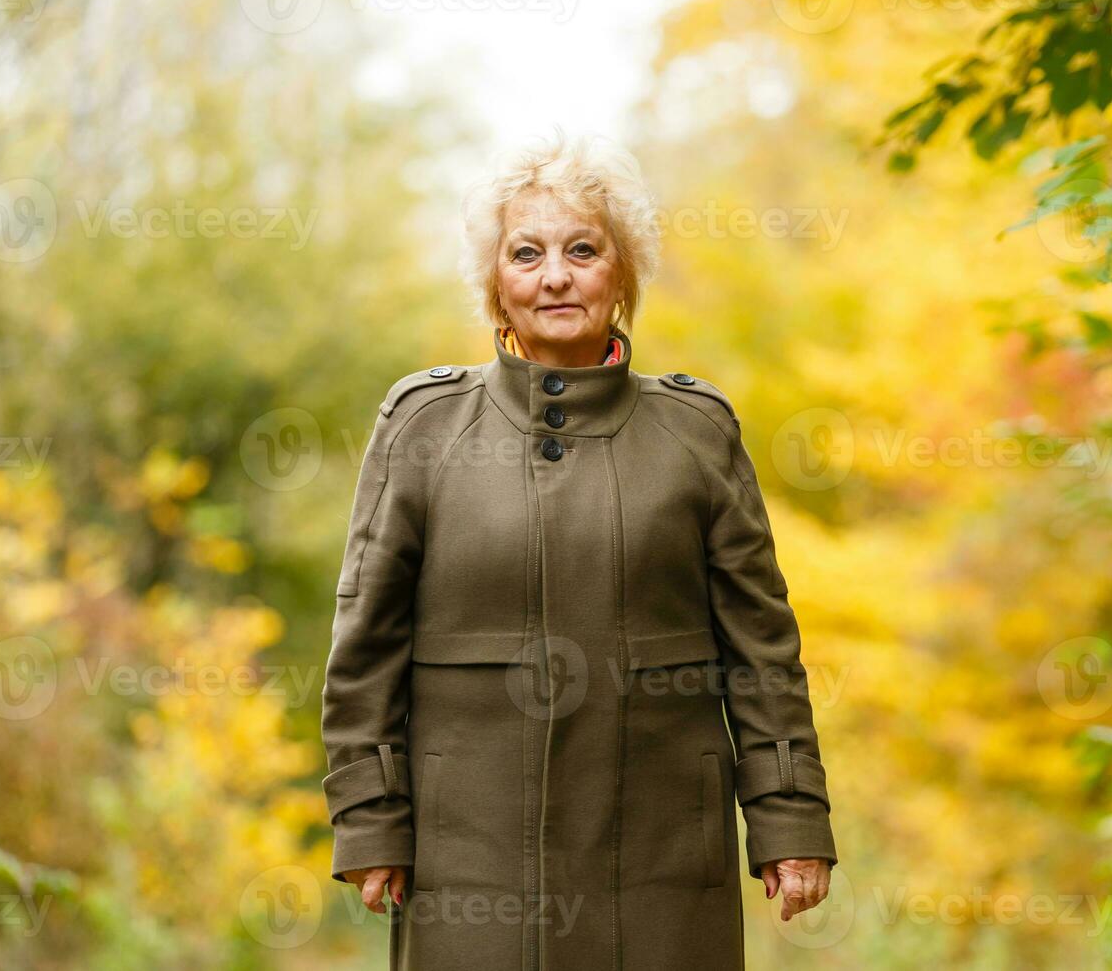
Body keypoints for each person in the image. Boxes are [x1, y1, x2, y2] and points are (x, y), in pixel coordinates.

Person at [321, 128, 837, 970]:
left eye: (582, 250)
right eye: (526, 253)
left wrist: (790, 819)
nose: (555, 275)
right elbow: (364, 646)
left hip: (667, 860)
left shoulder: (697, 433)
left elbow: (763, 651)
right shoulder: (422, 427)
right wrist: (371, 818)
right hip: (470, 859)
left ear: (622, 273)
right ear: (495, 282)